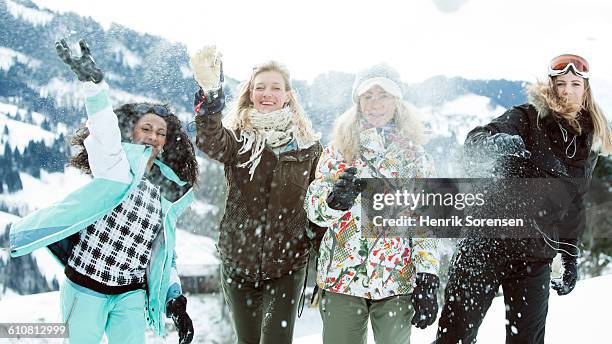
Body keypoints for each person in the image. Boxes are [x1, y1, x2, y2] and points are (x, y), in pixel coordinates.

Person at [9, 39, 196, 344]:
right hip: (86, 286)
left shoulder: (169, 192)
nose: (153, 136)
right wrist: (93, 83)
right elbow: (104, 126)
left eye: (160, 133)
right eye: (146, 129)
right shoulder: (116, 165)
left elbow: (164, 252)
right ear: (132, 132)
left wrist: (175, 299)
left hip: (130, 294)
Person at [436, 54, 612, 344]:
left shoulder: (588, 140)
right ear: (552, 86)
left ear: (586, 89)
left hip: (534, 255)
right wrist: (496, 144)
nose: (567, 90)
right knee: (455, 338)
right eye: (561, 83)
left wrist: (570, 255)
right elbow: (475, 140)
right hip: (485, 244)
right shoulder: (527, 116)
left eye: (575, 83)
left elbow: (574, 204)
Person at [191, 46, 324, 344]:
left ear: (288, 95)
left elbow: (318, 209)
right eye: (259, 87)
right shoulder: (238, 141)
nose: (267, 93)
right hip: (239, 261)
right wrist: (211, 97)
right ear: (250, 93)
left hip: (287, 265)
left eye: (275, 87)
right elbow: (210, 140)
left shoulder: (309, 148)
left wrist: (325, 263)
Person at [304, 64, 441, 344]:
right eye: (368, 96)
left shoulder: (416, 157)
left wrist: (427, 273)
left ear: (397, 101)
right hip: (341, 278)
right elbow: (313, 208)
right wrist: (332, 202)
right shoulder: (338, 150)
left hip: (396, 279)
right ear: (357, 102)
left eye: (384, 95)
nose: (375, 104)